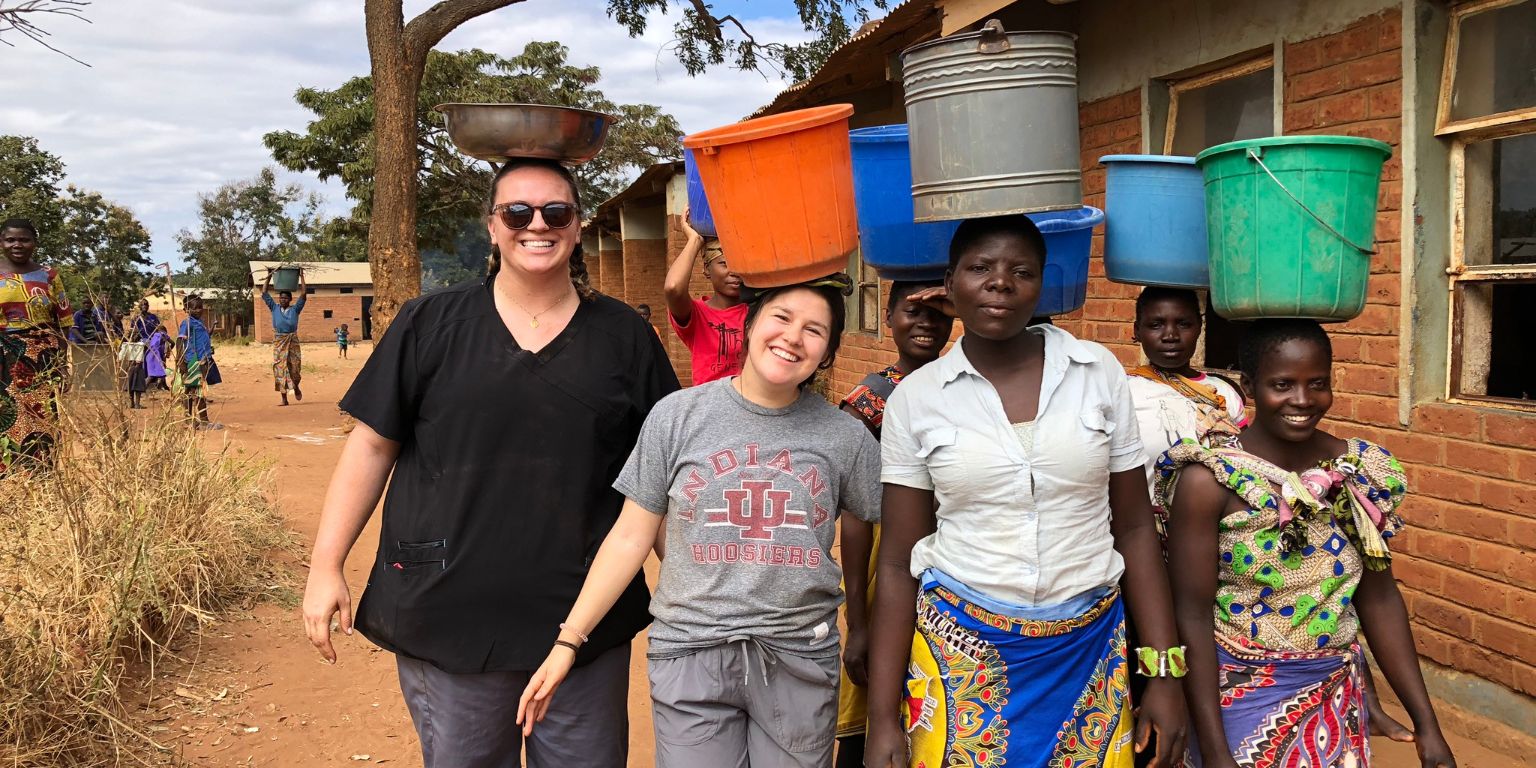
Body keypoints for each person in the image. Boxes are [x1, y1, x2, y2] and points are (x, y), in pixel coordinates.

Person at [302, 157, 679, 768]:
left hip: (583, 618)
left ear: (578, 225)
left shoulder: (623, 337)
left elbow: (658, 476)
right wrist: (326, 565)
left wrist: (696, 592)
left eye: (556, 211)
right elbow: (372, 446)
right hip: (450, 608)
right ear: (493, 225)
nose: (538, 224)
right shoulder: (429, 324)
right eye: (518, 212)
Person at [864, 215, 1188, 768]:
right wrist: (882, 718)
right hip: (958, 650)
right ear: (950, 281)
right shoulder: (917, 399)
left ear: (1041, 284)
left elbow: (1134, 528)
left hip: (1088, 649)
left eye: (1021, 271)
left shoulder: (1096, 373)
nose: (1000, 283)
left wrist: (1162, 674)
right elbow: (897, 563)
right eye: (980, 268)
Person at [517, 275, 881, 768]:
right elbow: (629, 536)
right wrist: (568, 641)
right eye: (781, 317)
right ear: (749, 325)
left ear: (828, 352)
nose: (794, 337)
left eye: (814, 330)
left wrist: (862, 625)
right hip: (691, 651)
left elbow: (878, 529)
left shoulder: (846, 438)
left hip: (799, 656)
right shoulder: (677, 416)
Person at [1157, 319, 1455, 768]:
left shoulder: (1357, 474)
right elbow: (1191, 616)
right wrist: (1216, 752)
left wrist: (1427, 724)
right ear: (1250, 385)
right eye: (1282, 384)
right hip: (1235, 699)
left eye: (1317, 383)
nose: (1302, 400)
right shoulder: (1211, 481)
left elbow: (1379, 600)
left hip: (1334, 698)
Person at [834, 279, 953, 767]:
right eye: (910, 312)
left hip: (951, 560)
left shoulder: (963, 387)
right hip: (891, 562)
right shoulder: (869, 401)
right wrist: (858, 621)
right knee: (873, 700)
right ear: (887, 319)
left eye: (937, 314)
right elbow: (858, 518)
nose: (925, 323)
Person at [0, 218, 74, 473]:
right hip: (4, 361)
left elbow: (64, 321)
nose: (17, 245)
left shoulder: (49, 276)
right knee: (7, 417)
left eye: (24, 239)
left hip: (44, 359)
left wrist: (62, 365)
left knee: (44, 418)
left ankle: (42, 477)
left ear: (35, 243)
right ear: (2, 242)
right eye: (10, 239)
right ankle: (9, 481)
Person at [664, 212, 745, 384]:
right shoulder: (697, 315)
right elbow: (673, 288)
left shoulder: (759, 310)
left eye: (739, 264)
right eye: (724, 263)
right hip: (708, 406)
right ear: (707, 269)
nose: (734, 271)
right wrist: (694, 240)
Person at [262, 269, 307, 406]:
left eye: (285, 298)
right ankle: (284, 399)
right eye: (281, 298)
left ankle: (296, 386)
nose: (283, 300)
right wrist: (269, 277)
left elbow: (304, 294)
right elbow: (264, 293)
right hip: (279, 341)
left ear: (290, 300)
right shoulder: (274, 307)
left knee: (295, 367)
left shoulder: (295, 309)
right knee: (280, 369)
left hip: (292, 340)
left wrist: (301, 276)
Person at [177, 294, 219, 430]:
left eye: (201, 307)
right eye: (195, 308)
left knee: (196, 389)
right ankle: (199, 421)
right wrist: (181, 361)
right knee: (196, 390)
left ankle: (193, 420)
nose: (199, 310)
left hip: (203, 359)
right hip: (193, 361)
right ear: (187, 309)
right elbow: (180, 341)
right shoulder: (187, 323)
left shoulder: (199, 322)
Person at [123, 299, 159, 409]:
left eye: (146, 304)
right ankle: (132, 402)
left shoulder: (153, 318)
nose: (144, 306)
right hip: (137, 349)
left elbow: (158, 330)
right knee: (133, 375)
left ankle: (137, 402)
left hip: (150, 346)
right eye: (142, 304)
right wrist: (134, 336)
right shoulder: (136, 319)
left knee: (141, 374)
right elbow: (132, 335)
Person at [145, 321, 171, 391]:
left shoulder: (153, 337)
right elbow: (173, 342)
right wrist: (169, 349)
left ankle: (163, 386)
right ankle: (143, 388)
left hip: (149, 356)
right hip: (156, 356)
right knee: (154, 374)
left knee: (157, 372)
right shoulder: (162, 334)